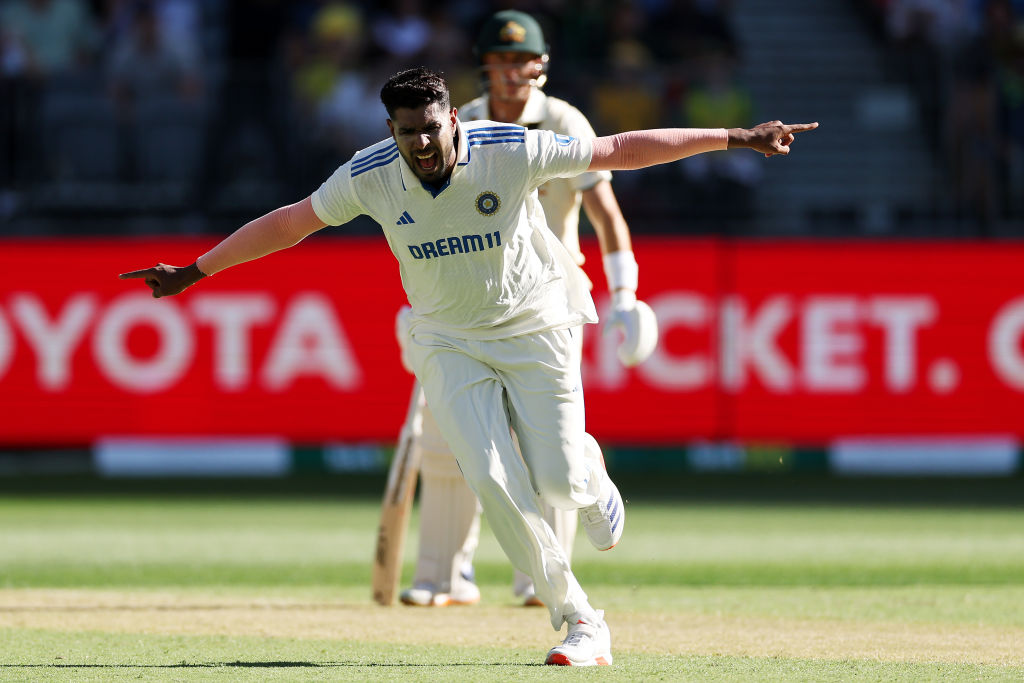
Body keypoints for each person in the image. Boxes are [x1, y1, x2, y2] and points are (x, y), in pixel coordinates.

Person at [120, 66, 816, 666]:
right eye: (405, 131)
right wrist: (197, 270)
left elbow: (616, 149)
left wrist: (737, 138)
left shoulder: (508, 149)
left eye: (430, 128)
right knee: (491, 477)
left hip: (537, 323)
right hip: (448, 340)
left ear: (453, 118)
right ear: (390, 129)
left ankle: (589, 471)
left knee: (559, 477)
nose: (420, 144)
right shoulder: (370, 174)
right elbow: (292, 221)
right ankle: (579, 619)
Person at [397, 9, 658, 611]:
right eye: (501, 61)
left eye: (523, 61)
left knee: (549, 448)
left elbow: (606, 215)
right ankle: (444, 576)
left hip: (545, 302)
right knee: (450, 441)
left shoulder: (563, 120)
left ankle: (536, 582)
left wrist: (624, 294)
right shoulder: (455, 123)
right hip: (465, 307)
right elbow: (428, 225)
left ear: (540, 65)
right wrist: (421, 312)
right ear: (485, 66)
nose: (513, 73)